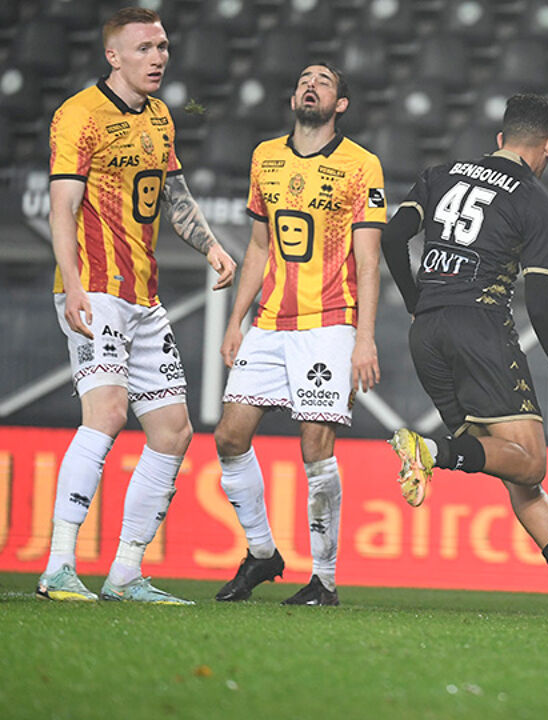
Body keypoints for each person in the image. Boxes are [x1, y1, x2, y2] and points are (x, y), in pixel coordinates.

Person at [379, 93, 548, 619]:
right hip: (481, 331)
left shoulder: (440, 172)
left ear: (499, 139)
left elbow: (395, 235)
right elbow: (540, 301)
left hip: (427, 334)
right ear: (547, 148)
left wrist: (415, 301)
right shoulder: (535, 202)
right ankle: (431, 452)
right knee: (531, 458)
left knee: (518, 471)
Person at [37, 7, 237, 605]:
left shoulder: (160, 117)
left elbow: (173, 195)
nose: (158, 57)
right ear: (113, 56)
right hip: (94, 289)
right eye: (145, 47)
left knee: (173, 432)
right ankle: (57, 567)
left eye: (163, 46)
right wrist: (72, 286)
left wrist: (212, 247)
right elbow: (61, 208)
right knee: (107, 413)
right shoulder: (78, 115)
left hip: (144, 298)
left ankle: (125, 572)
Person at [211, 63, 385, 606]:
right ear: (293, 97)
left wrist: (364, 337)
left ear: (341, 105)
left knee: (315, 447)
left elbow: (369, 259)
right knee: (229, 437)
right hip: (269, 323)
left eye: (325, 82)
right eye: (305, 79)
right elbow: (259, 247)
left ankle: (324, 581)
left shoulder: (361, 165)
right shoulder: (266, 156)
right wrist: (236, 320)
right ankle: (263, 553)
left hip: (330, 321)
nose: (311, 85)